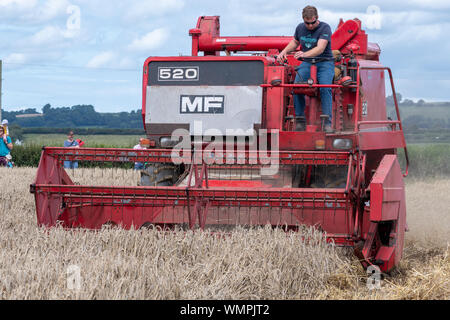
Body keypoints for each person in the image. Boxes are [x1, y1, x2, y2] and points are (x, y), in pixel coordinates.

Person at [277, 5, 335, 132]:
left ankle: (327, 123)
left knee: (325, 88)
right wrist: (283, 52)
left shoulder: (325, 28)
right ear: (303, 19)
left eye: (312, 23)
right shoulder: (300, 28)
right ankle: (300, 120)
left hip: (325, 62)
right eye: (307, 23)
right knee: (297, 86)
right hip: (307, 63)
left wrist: (304, 54)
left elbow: (320, 48)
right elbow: (295, 42)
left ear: (317, 18)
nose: (309, 26)